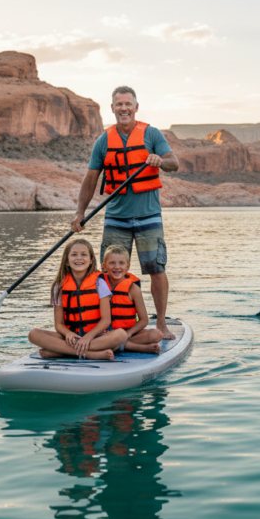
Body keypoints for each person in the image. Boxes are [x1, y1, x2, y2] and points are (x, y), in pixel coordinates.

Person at [71, 86, 180, 340]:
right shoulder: (103, 141)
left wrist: (160, 160)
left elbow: (174, 163)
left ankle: (161, 323)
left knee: (156, 269)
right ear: (112, 108)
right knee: (108, 272)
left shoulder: (151, 134)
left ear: (136, 107)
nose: (124, 108)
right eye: (119, 104)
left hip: (149, 216)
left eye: (128, 104)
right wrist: (79, 213)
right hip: (116, 218)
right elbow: (90, 179)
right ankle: (107, 326)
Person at [28, 239, 127, 360]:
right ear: (67, 261)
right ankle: (90, 354)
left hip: (96, 336)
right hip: (71, 338)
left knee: (121, 335)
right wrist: (68, 333)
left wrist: (88, 337)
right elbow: (59, 324)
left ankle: (63, 352)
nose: (79, 258)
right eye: (74, 254)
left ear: (91, 260)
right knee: (33, 334)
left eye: (84, 254)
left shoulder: (99, 283)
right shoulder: (59, 286)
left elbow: (106, 320)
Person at [102, 244, 164, 354]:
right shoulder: (99, 285)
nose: (117, 267)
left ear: (128, 266)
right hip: (105, 334)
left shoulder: (134, 289)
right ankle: (136, 347)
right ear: (104, 266)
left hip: (128, 333)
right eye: (112, 263)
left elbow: (144, 320)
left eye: (121, 263)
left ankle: (117, 345)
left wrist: (129, 333)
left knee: (157, 334)